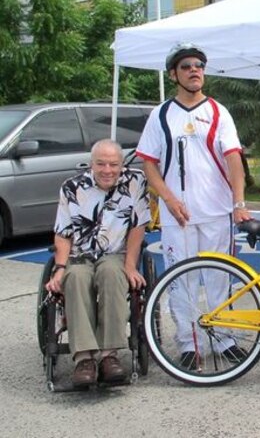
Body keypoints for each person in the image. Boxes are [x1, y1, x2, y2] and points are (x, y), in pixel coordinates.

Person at [136, 43, 251, 370]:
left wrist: (239, 203)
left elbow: (233, 159)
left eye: (199, 65)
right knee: (181, 280)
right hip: (178, 216)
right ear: (174, 74)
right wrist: (169, 200)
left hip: (217, 212)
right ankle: (189, 343)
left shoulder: (218, 111)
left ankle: (224, 339)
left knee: (219, 278)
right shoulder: (161, 114)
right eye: (186, 66)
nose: (194, 70)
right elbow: (150, 165)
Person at [45, 139, 150, 387]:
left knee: (113, 275)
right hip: (79, 255)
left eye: (113, 164)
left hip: (115, 253)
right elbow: (62, 232)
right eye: (101, 164)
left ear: (121, 165)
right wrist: (59, 269)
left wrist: (131, 265)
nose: (107, 170)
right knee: (77, 278)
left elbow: (138, 226)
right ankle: (84, 358)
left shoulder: (135, 182)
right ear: (91, 164)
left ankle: (108, 355)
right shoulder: (72, 187)